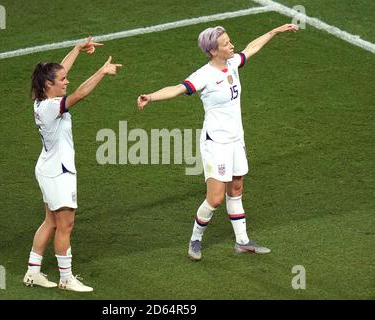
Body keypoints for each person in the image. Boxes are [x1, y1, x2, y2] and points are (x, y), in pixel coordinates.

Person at [137, 24, 299, 260]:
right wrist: (150, 96)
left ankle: (242, 242)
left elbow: (252, 48)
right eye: (226, 44)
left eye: (230, 41)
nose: (231, 45)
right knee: (214, 199)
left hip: (236, 139)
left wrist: (275, 31)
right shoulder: (204, 75)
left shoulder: (232, 63)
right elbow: (177, 89)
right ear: (213, 51)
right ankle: (195, 240)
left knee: (236, 189)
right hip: (217, 143)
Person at [24, 37, 122, 291]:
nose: (66, 81)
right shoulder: (50, 107)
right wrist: (101, 71)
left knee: (51, 222)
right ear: (49, 85)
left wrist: (76, 50)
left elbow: (61, 73)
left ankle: (33, 271)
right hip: (59, 172)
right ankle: (66, 279)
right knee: (65, 224)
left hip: (48, 167)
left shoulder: (40, 97)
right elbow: (80, 93)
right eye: (62, 80)